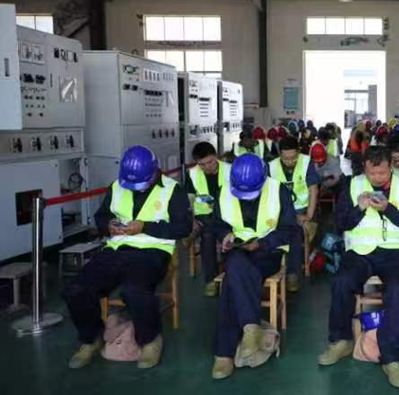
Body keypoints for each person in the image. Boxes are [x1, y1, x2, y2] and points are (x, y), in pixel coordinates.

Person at [62, 146, 192, 370]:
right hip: (116, 250)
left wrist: (145, 226)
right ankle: (91, 338)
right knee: (76, 289)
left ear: (155, 172)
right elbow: (102, 216)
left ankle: (150, 340)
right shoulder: (117, 186)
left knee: (134, 290)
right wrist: (108, 225)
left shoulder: (173, 190)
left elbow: (183, 228)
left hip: (153, 251)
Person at [318, 146, 399, 389]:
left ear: (390, 167)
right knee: (341, 282)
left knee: (397, 289)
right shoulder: (352, 185)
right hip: (360, 252)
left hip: (395, 253)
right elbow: (341, 223)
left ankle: (393, 358)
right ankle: (341, 341)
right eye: (372, 173)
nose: (377, 178)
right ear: (364, 168)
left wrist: (388, 210)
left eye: (382, 173)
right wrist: (359, 209)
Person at [211, 154, 299, 380]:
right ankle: (250, 327)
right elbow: (216, 224)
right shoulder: (223, 191)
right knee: (236, 265)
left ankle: (224, 354)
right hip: (238, 250)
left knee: (232, 278)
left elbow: (290, 230)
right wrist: (225, 235)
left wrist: (262, 243)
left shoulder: (279, 191)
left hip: (267, 253)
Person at [269, 136, 319, 291]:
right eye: (286, 159)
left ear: (298, 152)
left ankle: (292, 274)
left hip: (301, 209)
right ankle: (275, 268)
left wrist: (309, 215)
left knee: (296, 232)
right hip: (278, 211)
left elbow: (313, 189)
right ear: (280, 155)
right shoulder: (271, 166)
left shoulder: (306, 162)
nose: (290, 162)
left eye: (293, 158)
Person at [185, 142, 230, 296]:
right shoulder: (192, 174)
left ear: (216, 156)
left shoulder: (230, 170)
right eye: (202, 164)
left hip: (227, 215)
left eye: (210, 162)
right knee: (208, 234)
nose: (207, 167)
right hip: (204, 215)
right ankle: (211, 280)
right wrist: (192, 220)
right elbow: (190, 199)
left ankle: (228, 276)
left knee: (218, 233)